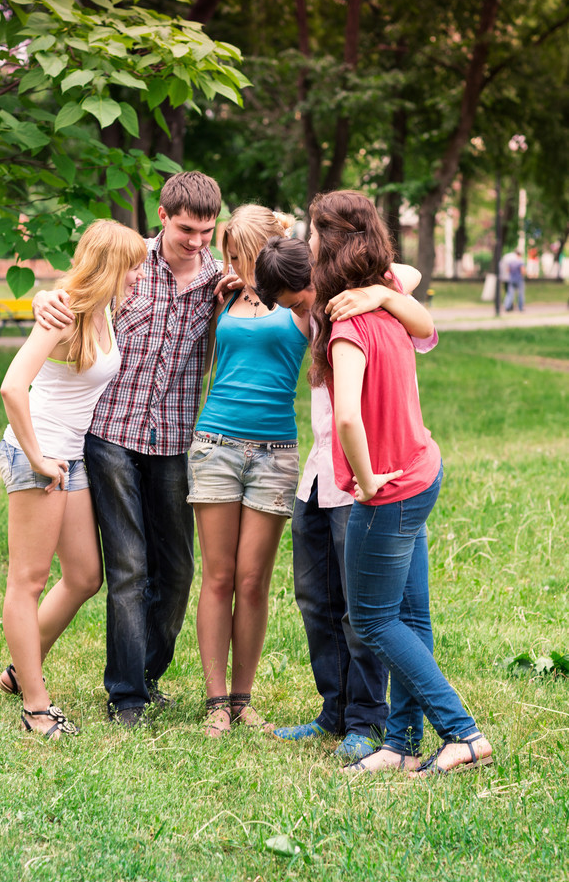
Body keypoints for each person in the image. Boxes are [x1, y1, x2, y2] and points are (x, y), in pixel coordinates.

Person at [31, 172, 236, 727]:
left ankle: (145, 672)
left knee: (176, 571)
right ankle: (126, 696)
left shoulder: (222, 282)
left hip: (173, 441)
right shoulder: (130, 264)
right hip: (111, 435)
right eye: (187, 229)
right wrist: (45, 300)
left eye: (207, 232)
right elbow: (71, 291)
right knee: (127, 565)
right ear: (164, 216)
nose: (197, 241)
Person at [308, 190, 493, 776]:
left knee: (373, 619)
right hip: (420, 473)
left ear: (328, 242)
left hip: (389, 489)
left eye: (312, 233)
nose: (307, 241)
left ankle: (462, 733)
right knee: (410, 618)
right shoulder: (386, 306)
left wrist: (363, 481)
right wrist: (386, 291)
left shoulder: (348, 325)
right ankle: (402, 743)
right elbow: (418, 312)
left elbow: (345, 418)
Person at [255, 238, 437, 762]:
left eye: (299, 299)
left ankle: (366, 719)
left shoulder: (351, 302)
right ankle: (333, 712)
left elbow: (410, 271)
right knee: (316, 600)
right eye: (291, 306)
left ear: (318, 276)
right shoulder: (316, 306)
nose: (300, 311)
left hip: (360, 477)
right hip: (317, 471)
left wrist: (375, 295)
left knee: (363, 612)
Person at [0, 220, 147, 739]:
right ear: (111, 267)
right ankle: (36, 706)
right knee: (28, 580)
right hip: (37, 458)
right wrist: (38, 458)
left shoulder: (105, 309)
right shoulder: (63, 313)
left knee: (84, 575)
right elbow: (13, 387)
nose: (139, 276)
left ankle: (21, 666)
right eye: (132, 267)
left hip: (71, 459)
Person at [188, 206, 309, 737]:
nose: (230, 265)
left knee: (252, 580)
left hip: (274, 451)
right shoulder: (223, 294)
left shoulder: (305, 297)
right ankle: (216, 701)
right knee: (217, 577)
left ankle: (243, 698)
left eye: (239, 256)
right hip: (215, 443)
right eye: (229, 255)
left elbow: (403, 277)